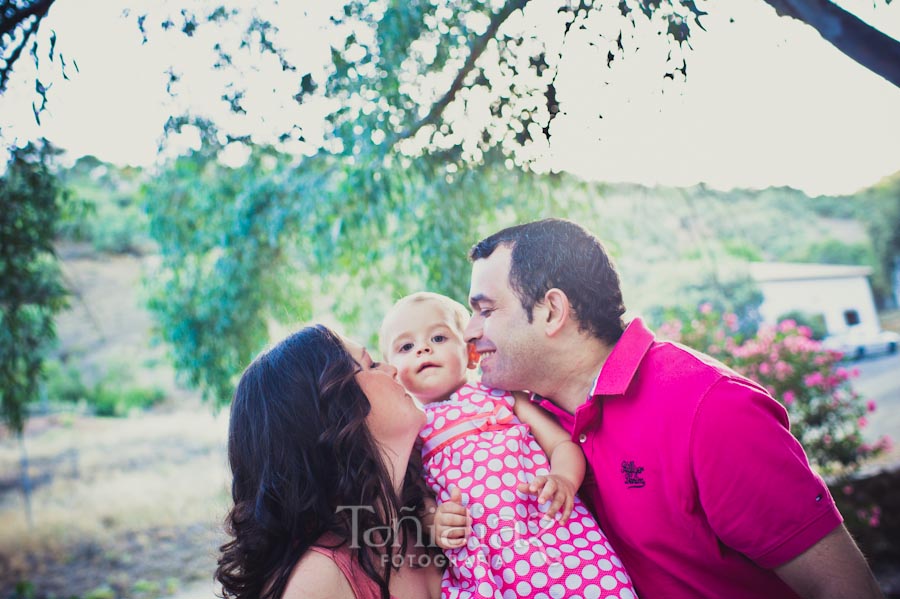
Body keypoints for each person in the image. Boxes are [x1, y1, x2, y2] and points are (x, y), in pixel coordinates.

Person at [463, 218, 885, 599]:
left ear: (552, 310)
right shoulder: (511, 420)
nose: (468, 330)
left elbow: (843, 588)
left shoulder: (712, 408)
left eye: (484, 310)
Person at [380, 292, 637, 599]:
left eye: (438, 337)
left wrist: (564, 479)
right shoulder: (413, 426)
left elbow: (561, 444)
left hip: (554, 535)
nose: (422, 349)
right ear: (393, 372)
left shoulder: (502, 395)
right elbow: (416, 492)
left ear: (472, 352)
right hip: (485, 562)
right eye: (406, 346)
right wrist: (434, 520)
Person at [215, 325, 442, 599]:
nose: (393, 370)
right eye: (369, 365)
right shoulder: (317, 582)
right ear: (330, 414)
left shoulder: (428, 516)